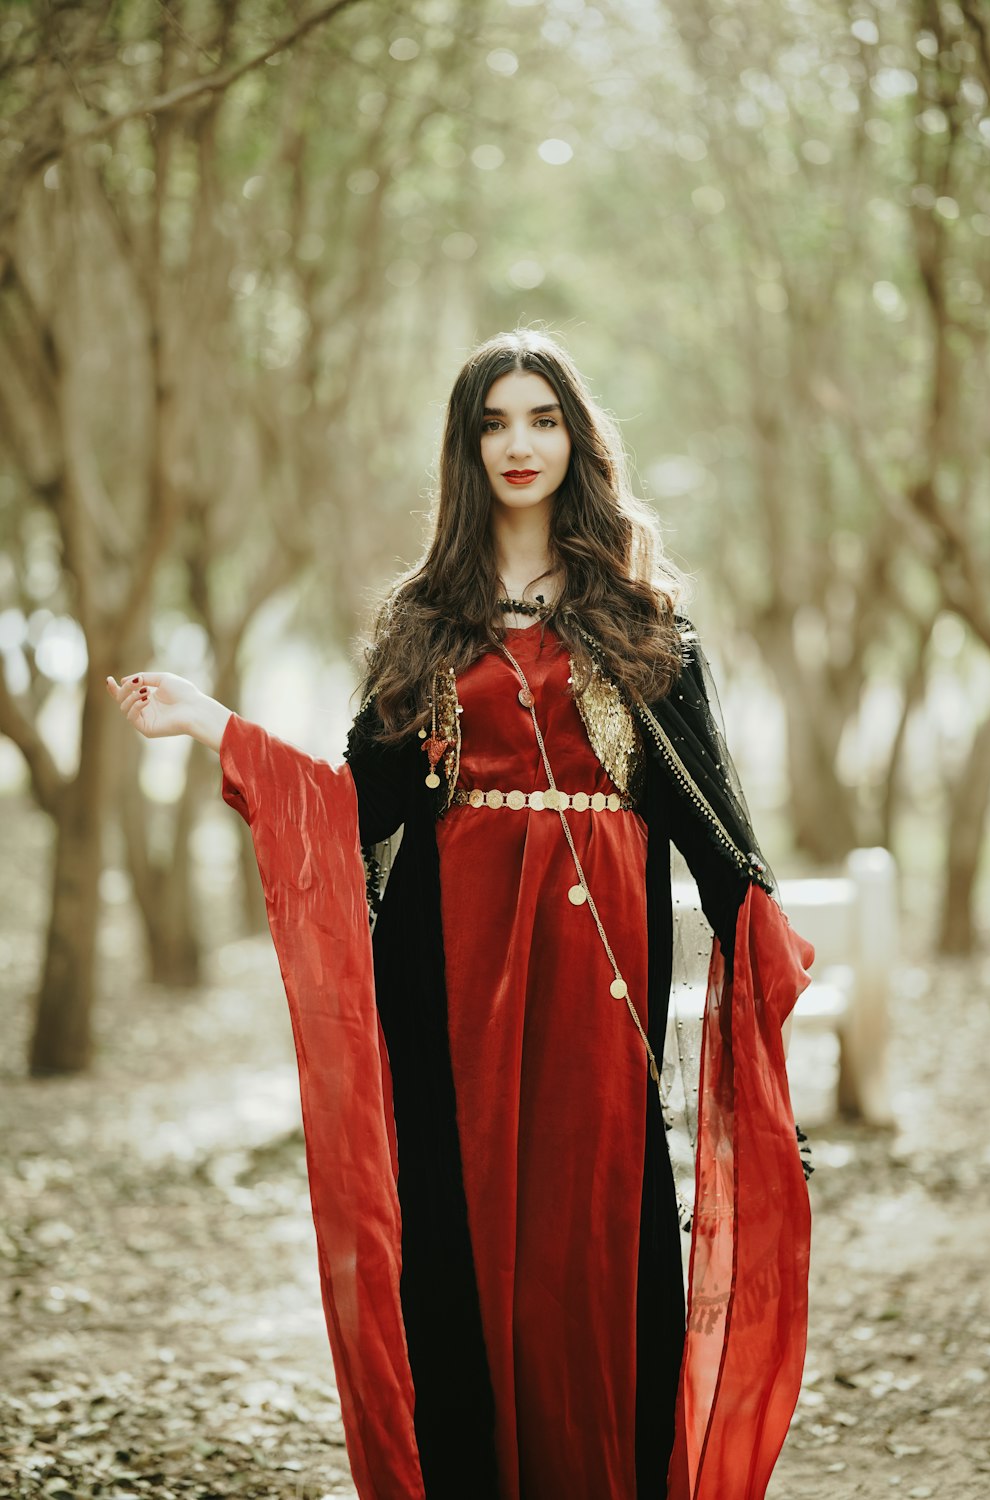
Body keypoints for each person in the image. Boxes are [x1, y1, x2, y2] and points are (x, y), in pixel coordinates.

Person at [106, 329, 816, 1500]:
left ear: (576, 441)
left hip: (599, 992)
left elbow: (709, 817)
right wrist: (213, 724)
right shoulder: (423, 619)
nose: (519, 444)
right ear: (465, 445)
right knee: (454, 1253)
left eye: (542, 419)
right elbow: (355, 810)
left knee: (590, 1257)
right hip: (445, 985)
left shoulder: (640, 618)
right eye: (495, 422)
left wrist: (765, 939)